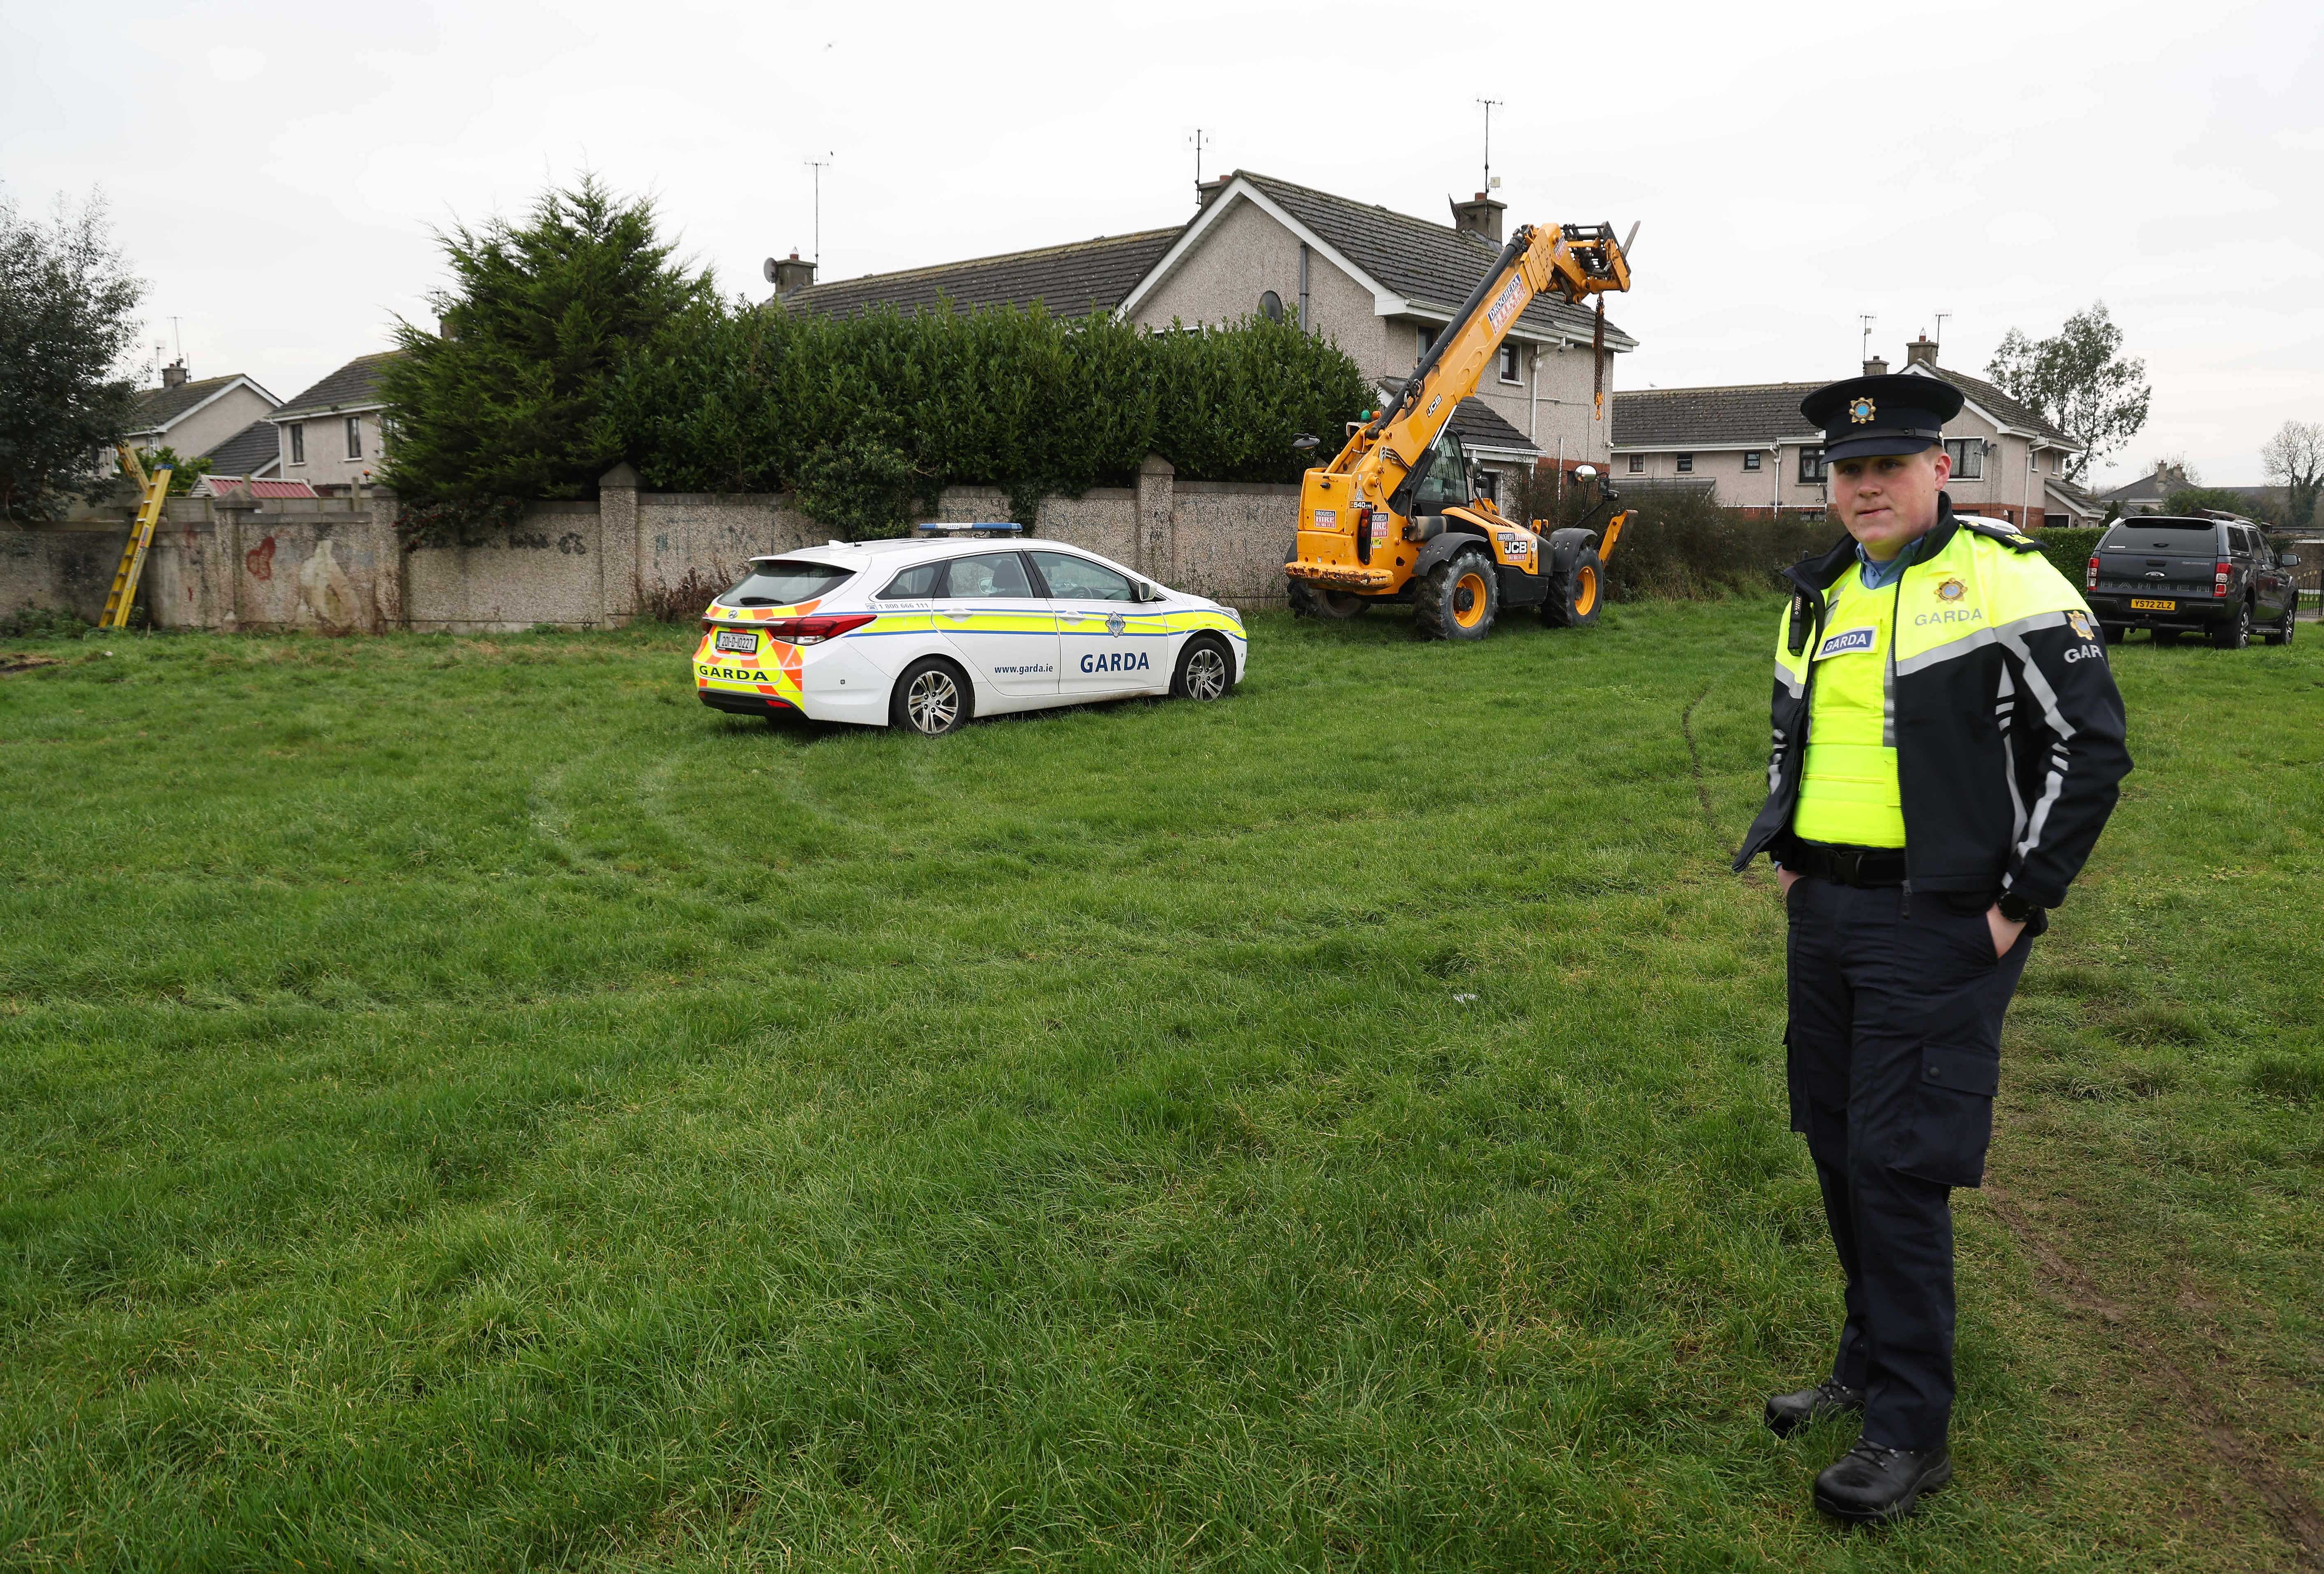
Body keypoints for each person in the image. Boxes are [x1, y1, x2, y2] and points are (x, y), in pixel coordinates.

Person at [1733, 374, 2131, 1523]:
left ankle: (1913, 1430)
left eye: (1889, 468)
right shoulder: (1815, 597)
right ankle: (1866, 1363)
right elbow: (1790, 732)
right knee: (1840, 1145)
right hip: (1832, 915)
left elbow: (2091, 751)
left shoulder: (2007, 581)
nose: (1865, 488)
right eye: (1847, 473)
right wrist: (1794, 852)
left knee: (1902, 1168)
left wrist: (2018, 905)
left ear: (1940, 471)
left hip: (1943, 920)